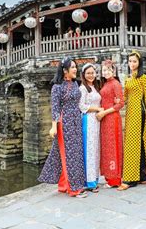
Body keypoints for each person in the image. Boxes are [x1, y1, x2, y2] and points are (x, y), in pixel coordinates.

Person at [38, 56, 88, 198]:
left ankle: (63, 185)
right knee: (70, 155)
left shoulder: (75, 84)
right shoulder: (57, 87)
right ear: (65, 70)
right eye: (72, 67)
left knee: (75, 153)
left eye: (75, 67)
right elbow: (55, 108)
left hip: (76, 121)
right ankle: (74, 189)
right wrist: (53, 127)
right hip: (64, 122)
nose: (75, 69)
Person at [118, 50, 146, 191]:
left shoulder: (143, 78)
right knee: (137, 143)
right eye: (130, 61)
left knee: (132, 145)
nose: (132, 64)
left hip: (139, 114)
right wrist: (116, 101)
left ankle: (130, 179)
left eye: (134, 61)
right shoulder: (128, 79)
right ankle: (142, 176)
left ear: (139, 63)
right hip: (130, 114)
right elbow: (125, 98)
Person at [97, 60, 124, 188]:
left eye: (108, 70)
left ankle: (115, 179)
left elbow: (120, 104)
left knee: (113, 147)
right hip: (105, 119)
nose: (106, 72)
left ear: (113, 71)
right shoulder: (106, 83)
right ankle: (109, 176)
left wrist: (104, 112)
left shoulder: (116, 84)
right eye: (104, 70)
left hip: (112, 118)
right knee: (107, 147)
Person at [79, 63, 103, 192]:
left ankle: (95, 178)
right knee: (89, 149)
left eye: (92, 72)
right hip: (88, 120)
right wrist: (98, 108)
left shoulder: (95, 87)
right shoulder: (82, 88)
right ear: (83, 74)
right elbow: (81, 106)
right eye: (88, 73)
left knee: (95, 149)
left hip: (97, 121)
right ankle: (89, 182)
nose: (91, 75)